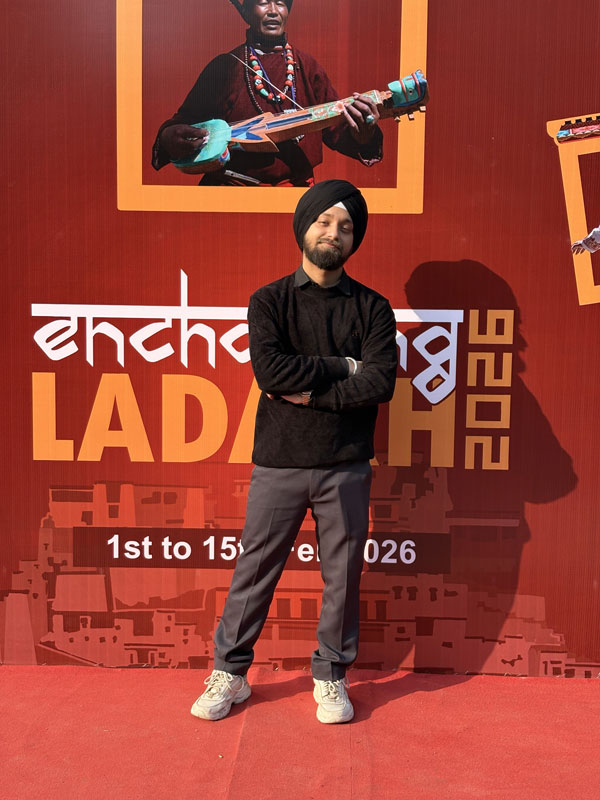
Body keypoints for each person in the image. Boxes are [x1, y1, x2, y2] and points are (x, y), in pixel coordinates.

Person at [190, 179, 398, 723]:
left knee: (343, 576)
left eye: (346, 226)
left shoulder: (373, 309)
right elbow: (272, 373)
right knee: (254, 571)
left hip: (346, 464)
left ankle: (331, 675)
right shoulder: (270, 300)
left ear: (355, 239)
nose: (334, 233)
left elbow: (379, 383)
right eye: (324, 221)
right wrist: (342, 366)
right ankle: (230, 672)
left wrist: (312, 394)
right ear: (304, 226)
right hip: (280, 461)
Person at [152, 0, 383, 186]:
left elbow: (338, 130)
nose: (273, 11)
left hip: (296, 196)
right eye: (263, 2)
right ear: (246, 11)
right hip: (232, 193)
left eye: (281, 3)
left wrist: (364, 135)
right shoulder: (223, 67)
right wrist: (169, 137)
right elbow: (182, 123)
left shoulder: (307, 66)